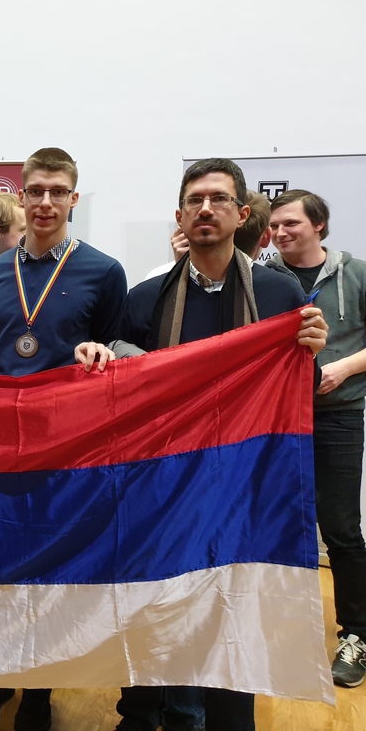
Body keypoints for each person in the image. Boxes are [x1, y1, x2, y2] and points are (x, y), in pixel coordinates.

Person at [111, 159, 328, 731]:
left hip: (244, 484)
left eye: (218, 199)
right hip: (164, 483)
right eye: (195, 200)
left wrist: (309, 352)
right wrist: (101, 358)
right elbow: (121, 393)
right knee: (158, 603)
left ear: (242, 213)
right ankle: (146, 713)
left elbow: (299, 389)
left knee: (235, 610)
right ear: (180, 215)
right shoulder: (147, 297)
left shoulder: (278, 292)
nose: (205, 209)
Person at [0, 147, 127, 731]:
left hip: (65, 448)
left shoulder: (103, 271)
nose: (45, 202)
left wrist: (105, 352)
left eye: (57, 191)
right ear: (21, 196)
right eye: (35, 190)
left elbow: (117, 348)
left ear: (73, 199)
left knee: (50, 569)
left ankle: (38, 689)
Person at [265, 189, 366, 688]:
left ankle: (357, 635)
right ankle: (279, 629)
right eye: (274, 226)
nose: (280, 233)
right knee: (276, 524)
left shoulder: (357, 273)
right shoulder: (263, 278)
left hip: (339, 416)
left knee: (342, 528)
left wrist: (343, 368)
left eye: (291, 224)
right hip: (274, 421)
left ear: (319, 225)